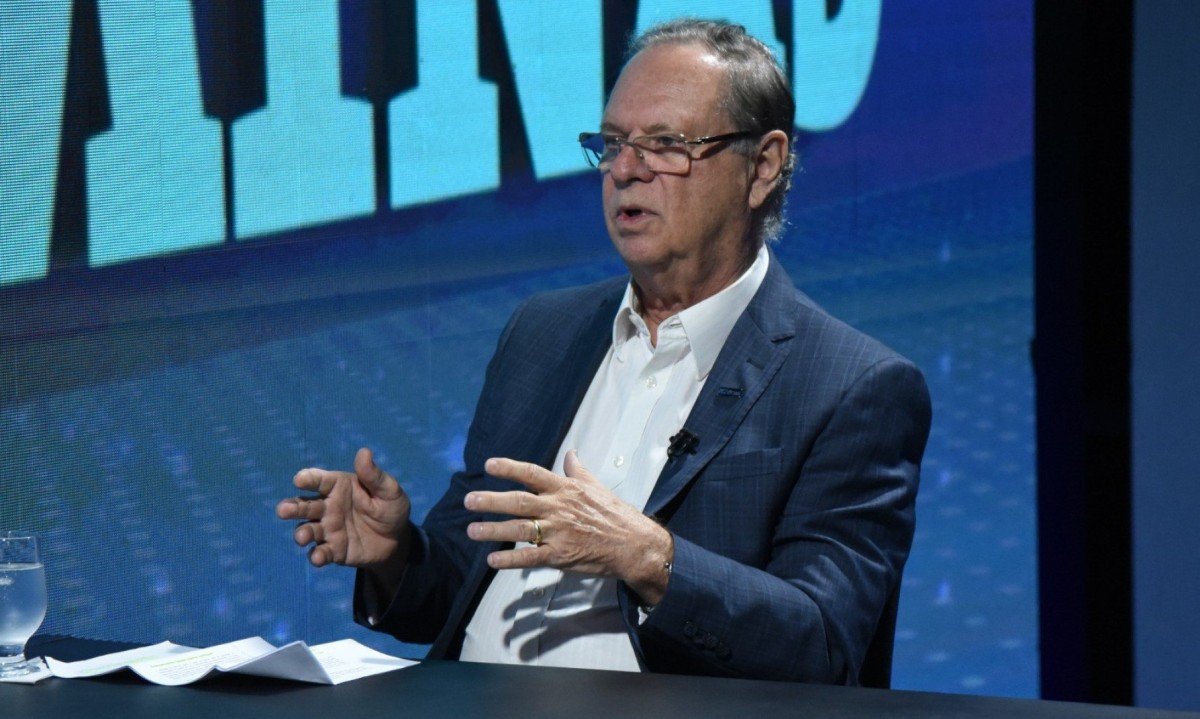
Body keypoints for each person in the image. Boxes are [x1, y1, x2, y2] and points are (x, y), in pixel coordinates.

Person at [276, 19, 931, 686]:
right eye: (613, 143)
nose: (624, 170)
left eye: (667, 144)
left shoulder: (851, 386)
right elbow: (461, 581)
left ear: (762, 165)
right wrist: (396, 552)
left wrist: (651, 558)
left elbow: (824, 646)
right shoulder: (543, 332)